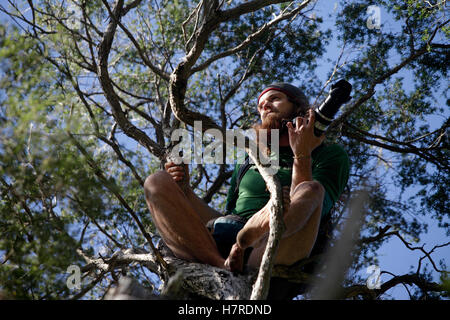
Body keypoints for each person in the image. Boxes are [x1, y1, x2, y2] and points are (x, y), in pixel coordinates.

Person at [143, 83, 350, 274]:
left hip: (277, 249)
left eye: (275, 98)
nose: (265, 105)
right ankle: (222, 262)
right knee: (156, 182)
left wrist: (302, 155)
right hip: (225, 245)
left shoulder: (330, 155)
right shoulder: (249, 157)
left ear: (299, 109)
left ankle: (259, 227)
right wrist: (185, 192)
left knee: (310, 190)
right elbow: (227, 216)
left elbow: (309, 210)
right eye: (260, 105)